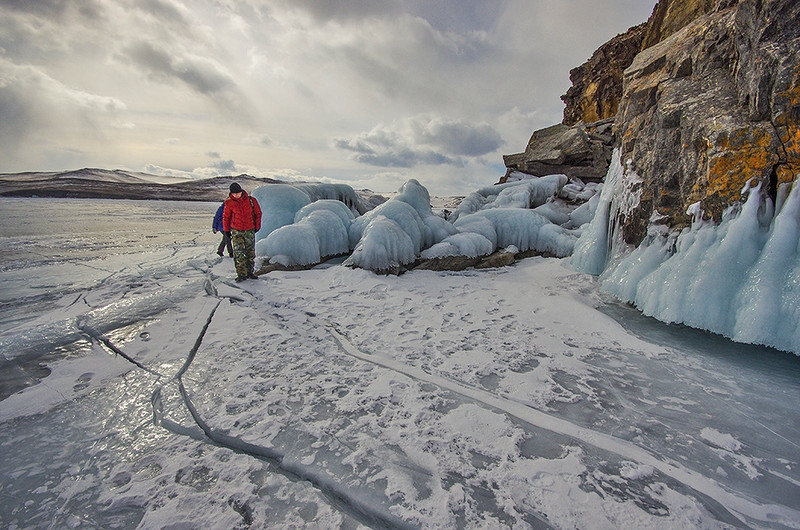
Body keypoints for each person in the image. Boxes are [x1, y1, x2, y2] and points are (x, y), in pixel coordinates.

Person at [222, 182, 262, 282]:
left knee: (250, 252)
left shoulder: (251, 200)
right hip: (236, 230)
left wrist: (257, 226)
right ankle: (241, 274)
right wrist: (226, 230)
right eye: (234, 194)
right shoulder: (229, 202)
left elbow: (258, 213)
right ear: (231, 193)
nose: (236, 195)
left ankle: (250, 272)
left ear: (241, 191)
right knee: (238, 252)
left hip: (249, 229)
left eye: (238, 193)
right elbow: (226, 217)